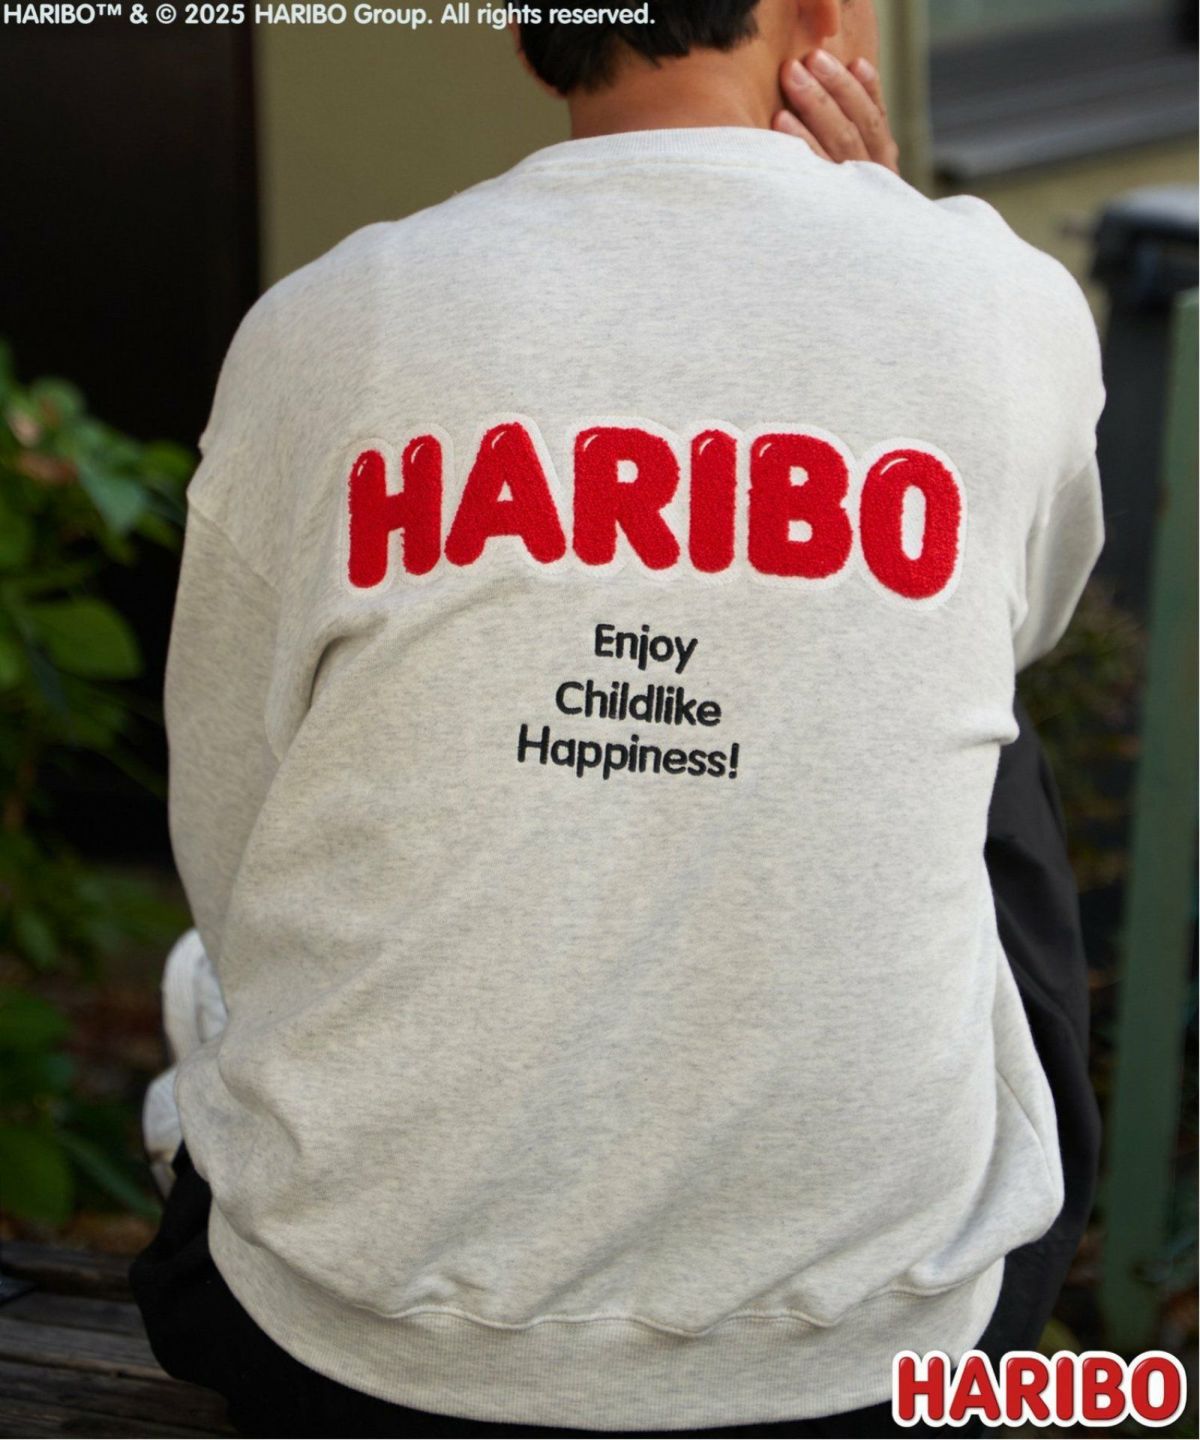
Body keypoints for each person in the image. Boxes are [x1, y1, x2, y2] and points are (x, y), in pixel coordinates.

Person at [129, 2, 1107, 1435]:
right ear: (817, 20)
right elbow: (1019, 619)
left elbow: (227, 819)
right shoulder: (1001, 301)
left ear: (536, 38)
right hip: (863, 1355)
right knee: (981, 724)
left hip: (342, 1336)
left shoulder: (331, 321)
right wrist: (894, 242)